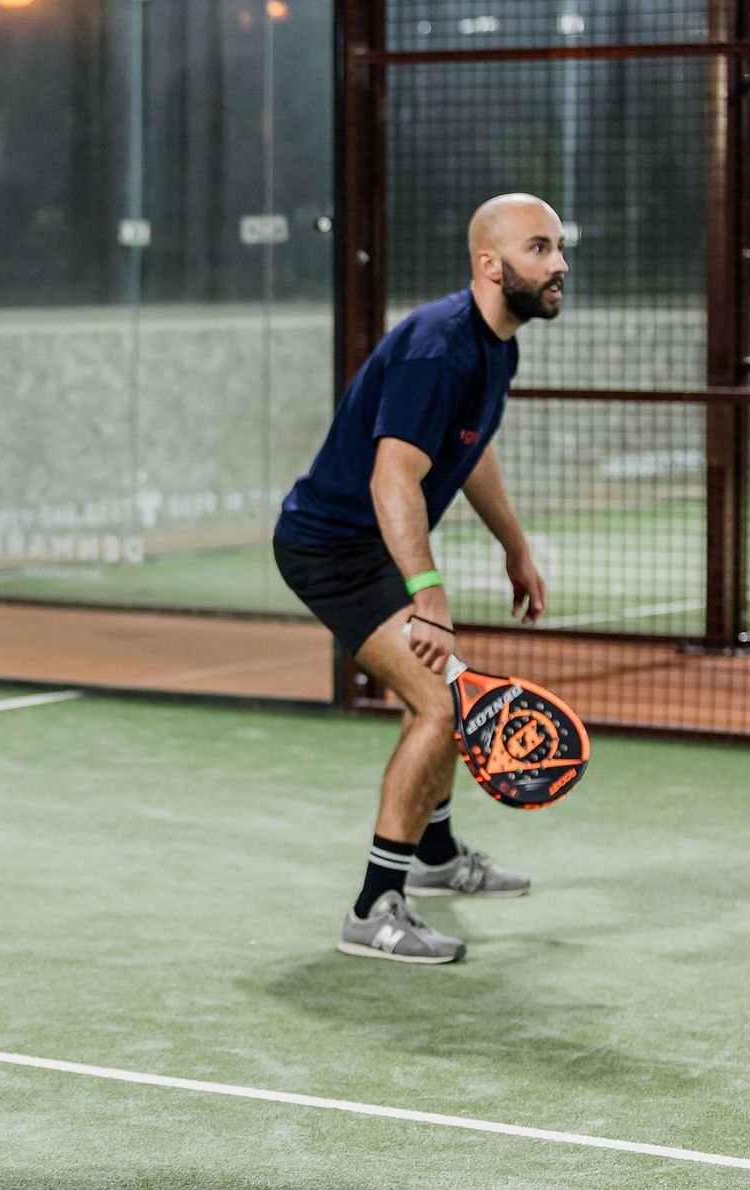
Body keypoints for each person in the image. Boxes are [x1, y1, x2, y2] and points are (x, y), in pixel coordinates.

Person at [273, 193, 568, 965]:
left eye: (559, 248)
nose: (560, 263)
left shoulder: (497, 345)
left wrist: (515, 546)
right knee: (440, 706)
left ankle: (434, 856)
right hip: (332, 548)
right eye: (540, 248)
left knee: (448, 696)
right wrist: (428, 596)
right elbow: (392, 480)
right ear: (490, 265)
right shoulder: (439, 346)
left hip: (375, 547)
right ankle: (374, 909)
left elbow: (469, 454)